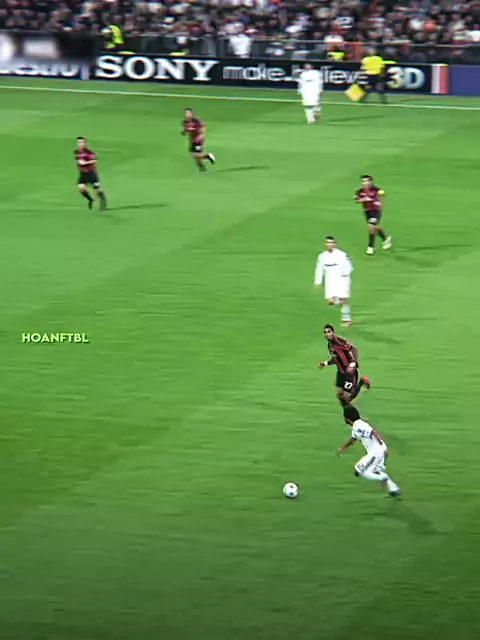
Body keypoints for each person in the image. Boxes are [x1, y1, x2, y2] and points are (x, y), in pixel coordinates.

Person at [338, 405, 401, 498]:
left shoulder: (358, 425)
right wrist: (342, 448)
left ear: (347, 417)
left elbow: (373, 432)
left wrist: (382, 445)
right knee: (375, 472)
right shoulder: (356, 426)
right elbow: (353, 439)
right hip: (378, 452)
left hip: (375, 453)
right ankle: (394, 489)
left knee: (358, 470)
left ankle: (382, 478)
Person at [318, 324, 370, 407]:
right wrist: (325, 363)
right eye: (325, 332)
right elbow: (335, 359)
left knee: (347, 400)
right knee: (339, 396)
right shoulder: (330, 345)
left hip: (349, 372)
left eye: (329, 332)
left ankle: (362, 382)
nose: (326, 334)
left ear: (333, 332)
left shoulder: (339, 342)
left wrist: (355, 363)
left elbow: (354, 348)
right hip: (340, 372)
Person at [314, 236, 353, 326]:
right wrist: (318, 282)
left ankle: (346, 319)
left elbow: (349, 266)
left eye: (331, 243)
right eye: (328, 243)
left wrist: (345, 275)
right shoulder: (322, 256)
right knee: (331, 301)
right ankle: (338, 302)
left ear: (334, 244)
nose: (330, 245)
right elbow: (319, 269)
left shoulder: (341, 255)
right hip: (330, 279)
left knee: (343, 300)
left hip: (342, 278)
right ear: (325, 244)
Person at [355, 175, 391, 255]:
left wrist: (378, 202)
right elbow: (357, 200)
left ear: (370, 182)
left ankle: (370, 247)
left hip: (375, 210)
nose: (365, 183)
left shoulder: (376, 190)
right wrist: (364, 199)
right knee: (374, 228)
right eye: (363, 181)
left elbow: (380, 198)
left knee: (371, 227)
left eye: (366, 181)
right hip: (367, 211)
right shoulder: (360, 191)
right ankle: (385, 238)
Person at [74, 137, 107, 211]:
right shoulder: (76, 152)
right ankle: (90, 200)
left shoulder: (89, 152)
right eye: (78, 142)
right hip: (83, 174)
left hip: (91, 173)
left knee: (97, 190)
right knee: (81, 188)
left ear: (84, 143)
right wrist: (78, 164)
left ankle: (103, 201)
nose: (80, 144)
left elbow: (94, 160)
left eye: (81, 142)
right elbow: (78, 160)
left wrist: (84, 163)